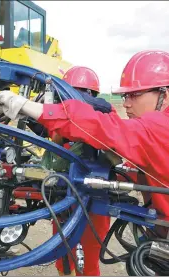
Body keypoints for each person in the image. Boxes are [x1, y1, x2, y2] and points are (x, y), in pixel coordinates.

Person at [0, 49, 169, 259]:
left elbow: (105, 128)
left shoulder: (164, 127)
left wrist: (26, 105)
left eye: (133, 95)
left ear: (163, 92)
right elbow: (167, 168)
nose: (127, 104)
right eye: (125, 97)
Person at [51, 66, 111, 276]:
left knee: (82, 256)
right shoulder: (103, 116)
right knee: (67, 254)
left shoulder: (102, 117)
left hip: (86, 200)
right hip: (69, 199)